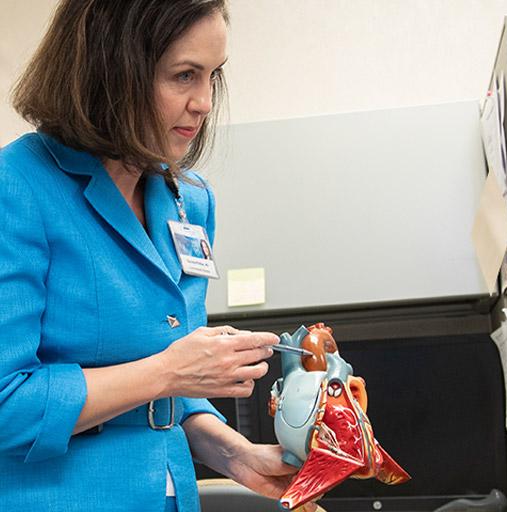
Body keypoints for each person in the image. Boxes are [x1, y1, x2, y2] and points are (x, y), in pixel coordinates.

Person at [0, 2, 298, 511]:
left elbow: (174, 393)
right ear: (111, 71)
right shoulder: (19, 186)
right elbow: (8, 403)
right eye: (184, 75)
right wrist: (167, 371)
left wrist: (235, 454)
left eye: (212, 76)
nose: (204, 102)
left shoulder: (190, 200)